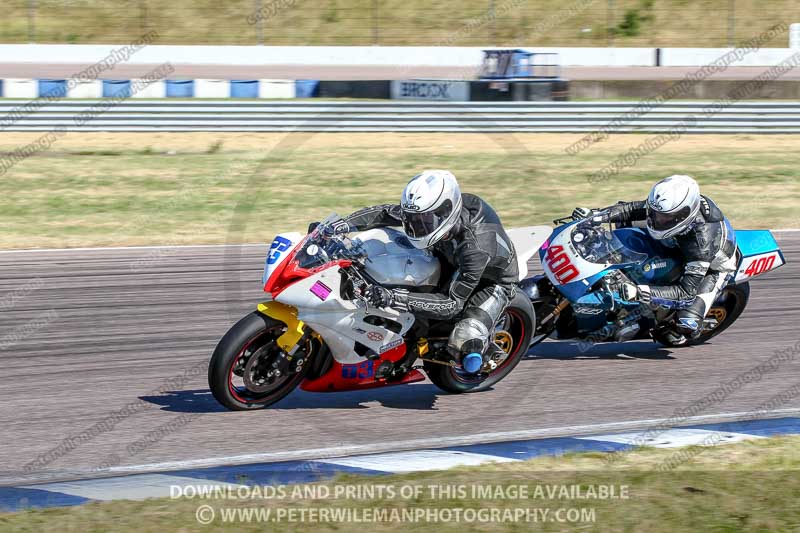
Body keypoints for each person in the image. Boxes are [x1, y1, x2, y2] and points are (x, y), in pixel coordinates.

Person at [332, 170, 518, 372]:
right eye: (412, 219)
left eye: (424, 221)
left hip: (490, 281)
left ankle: (480, 354)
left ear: (445, 213)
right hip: (448, 255)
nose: (415, 226)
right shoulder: (432, 210)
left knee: (465, 336)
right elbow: (386, 213)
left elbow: (451, 304)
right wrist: (342, 224)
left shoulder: (475, 248)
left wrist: (392, 298)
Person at [573, 174, 736, 345]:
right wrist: (596, 216)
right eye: (655, 213)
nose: (657, 219)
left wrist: (639, 292)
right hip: (678, 240)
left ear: (683, 215)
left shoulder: (701, 245)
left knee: (687, 321)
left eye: (664, 217)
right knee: (623, 223)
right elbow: (633, 209)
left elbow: (686, 293)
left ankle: (675, 327)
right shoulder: (670, 207)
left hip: (713, 266)